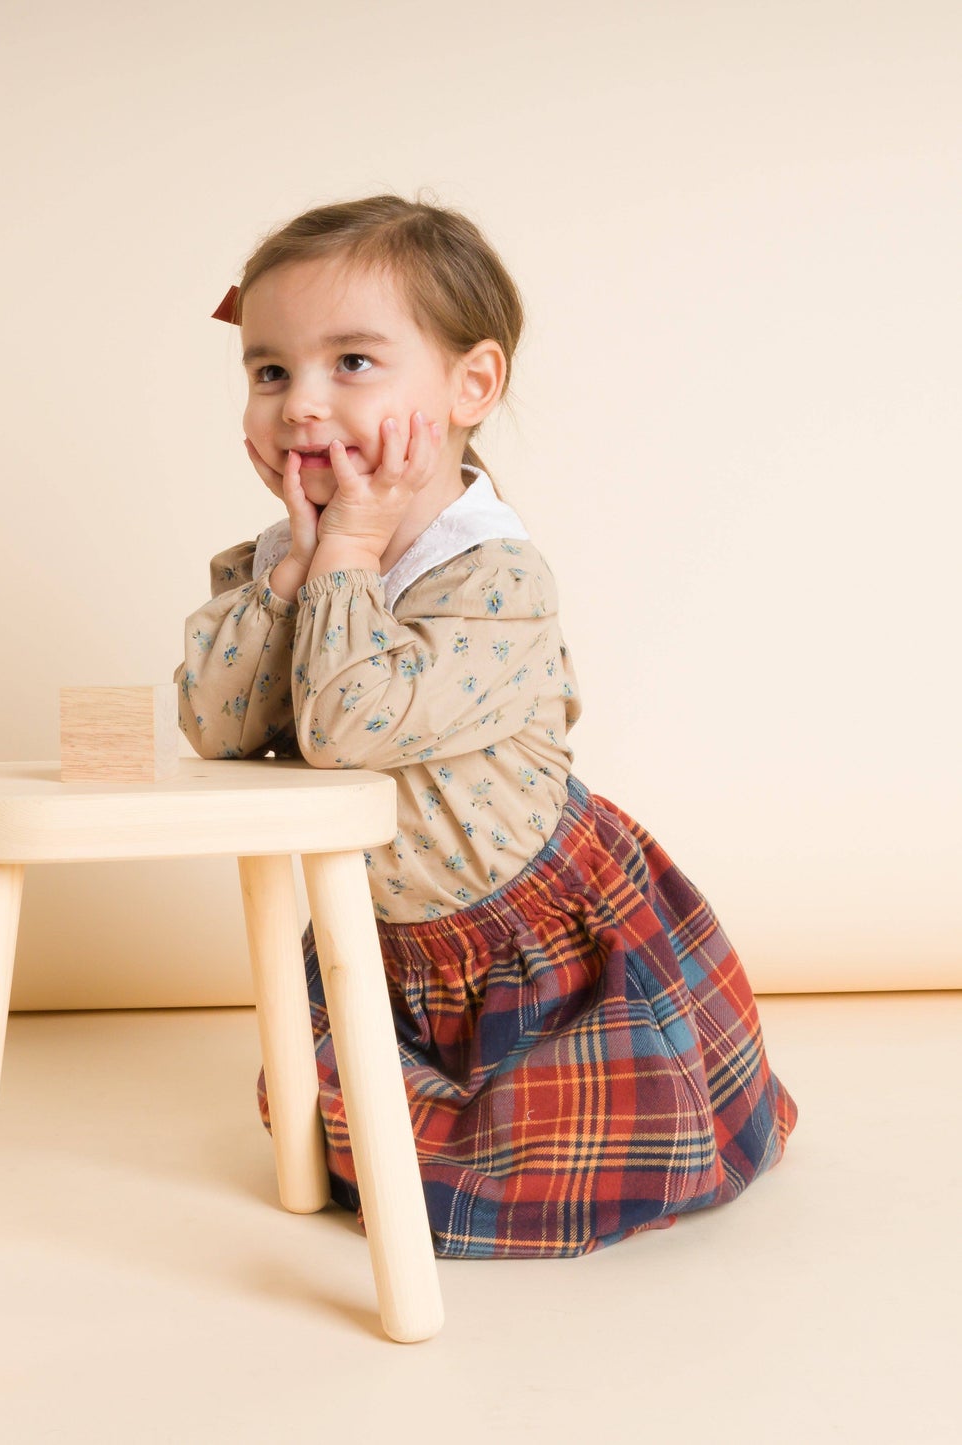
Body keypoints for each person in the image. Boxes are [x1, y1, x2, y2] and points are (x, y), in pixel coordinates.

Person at [173, 193, 798, 1259]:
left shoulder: (494, 580)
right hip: (394, 941)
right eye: (270, 371)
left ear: (470, 384)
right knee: (355, 1145)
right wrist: (293, 566)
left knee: (537, 1153)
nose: (301, 406)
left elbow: (346, 727)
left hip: (534, 938)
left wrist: (349, 552)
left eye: (352, 364)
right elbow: (216, 726)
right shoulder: (311, 560)